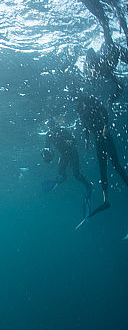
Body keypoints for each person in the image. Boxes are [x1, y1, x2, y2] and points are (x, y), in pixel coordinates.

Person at [76, 93, 128, 221]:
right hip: (98, 141)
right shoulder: (80, 110)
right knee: (102, 169)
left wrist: (106, 126)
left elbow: (104, 111)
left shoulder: (91, 102)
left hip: (105, 137)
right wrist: (87, 140)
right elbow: (85, 127)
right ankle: (106, 200)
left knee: (116, 165)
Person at [40, 120, 94, 201]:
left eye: (51, 125)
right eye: (49, 126)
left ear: (54, 125)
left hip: (72, 153)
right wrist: (45, 154)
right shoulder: (49, 135)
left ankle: (88, 185)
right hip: (64, 155)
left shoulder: (62, 130)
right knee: (61, 174)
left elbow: (74, 140)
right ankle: (59, 180)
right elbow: (47, 147)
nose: (51, 128)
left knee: (76, 174)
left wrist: (71, 141)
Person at [84, 35, 128, 102]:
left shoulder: (103, 62)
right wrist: (112, 98)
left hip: (114, 50)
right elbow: (120, 86)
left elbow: (108, 40)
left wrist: (105, 26)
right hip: (115, 52)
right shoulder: (104, 71)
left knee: (109, 45)